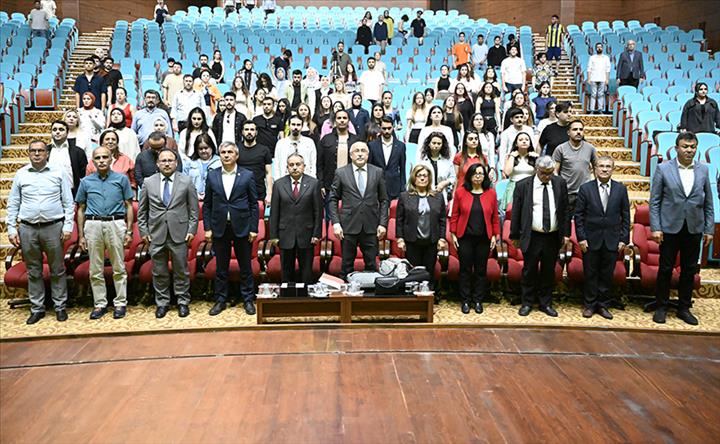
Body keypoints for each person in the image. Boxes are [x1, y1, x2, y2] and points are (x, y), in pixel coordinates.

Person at [649, 132, 714, 325]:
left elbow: (708, 202)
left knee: (689, 270)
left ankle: (684, 308)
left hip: (694, 227)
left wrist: (709, 229)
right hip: (669, 227)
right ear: (676, 148)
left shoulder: (703, 170)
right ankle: (661, 306)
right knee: (666, 268)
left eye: (692, 147)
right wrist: (656, 227)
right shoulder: (663, 169)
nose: (689, 150)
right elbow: (655, 201)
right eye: (685, 146)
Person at [7, 140, 74, 324]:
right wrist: (11, 228)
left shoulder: (58, 172)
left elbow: (68, 203)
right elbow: (13, 203)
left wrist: (68, 226)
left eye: (40, 151)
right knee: (33, 270)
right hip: (27, 228)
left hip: (53, 227)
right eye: (33, 151)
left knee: (57, 269)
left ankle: (60, 306)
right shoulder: (21, 174)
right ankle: (37, 308)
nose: (37, 154)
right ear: (28, 153)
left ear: (47, 153)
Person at [138, 149, 198, 319]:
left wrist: (191, 230)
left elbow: (194, 210)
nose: (166, 164)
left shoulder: (186, 181)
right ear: (157, 164)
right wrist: (143, 231)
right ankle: (162, 303)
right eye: (163, 161)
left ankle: (182, 301)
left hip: (180, 233)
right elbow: (142, 211)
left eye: (170, 160)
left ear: (176, 163)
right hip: (156, 234)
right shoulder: (148, 182)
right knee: (159, 272)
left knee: (181, 270)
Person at [76, 146, 135, 320]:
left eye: (105, 157)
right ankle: (100, 303)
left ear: (111, 159)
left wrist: (129, 231)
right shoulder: (85, 182)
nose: (101, 160)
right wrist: (81, 235)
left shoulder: (121, 179)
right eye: (98, 158)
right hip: (93, 224)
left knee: (119, 267)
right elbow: (81, 209)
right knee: (95, 268)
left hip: (115, 223)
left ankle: (120, 302)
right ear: (93, 161)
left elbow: (129, 206)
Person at [203, 141, 259, 316]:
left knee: (245, 267)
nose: (226, 155)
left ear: (236, 155)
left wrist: (253, 228)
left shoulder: (247, 175)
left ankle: (248, 299)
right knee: (221, 268)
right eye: (223, 152)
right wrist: (207, 227)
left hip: (242, 227)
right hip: (220, 228)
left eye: (230, 152)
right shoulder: (212, 175)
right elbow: (207, 204)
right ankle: (220, 300)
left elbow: (254, 204)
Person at [510, 156, 570, 317]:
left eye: (550, 173)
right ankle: (527, 302)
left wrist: (566, 233)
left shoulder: (559, 183)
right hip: (532, 235)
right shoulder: (523, 185)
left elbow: (565, 210)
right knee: (529, 270)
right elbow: (516, 212)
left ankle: (546, 303)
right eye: (544, 173)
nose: (547, 176)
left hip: (552, 236)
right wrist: (515, 235)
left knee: (548, 271)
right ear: (537, 169)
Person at [574, 156, 630, 320]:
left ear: (613, 169)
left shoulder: (621, 189)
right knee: (590, 273)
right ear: (595, 168)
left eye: (608, 166)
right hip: (590, 239)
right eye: (601, 166)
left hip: (612, 240)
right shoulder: (585, 189)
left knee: (606, 274)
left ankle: (603, 305)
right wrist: (581, 238)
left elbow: (626, 216)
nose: (604, 169)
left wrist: (623, 239)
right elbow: (579, 216)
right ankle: (590, 305)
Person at [329, 142, 390, 279]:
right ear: (351, 155)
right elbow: (332, 199)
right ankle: (346, 291)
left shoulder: (377, 172)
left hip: (371, 225)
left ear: (368, 154)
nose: (360, 154)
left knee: (371, 265)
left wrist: (383, 223)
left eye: (363, 151)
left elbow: (384, 200)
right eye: (357, 151)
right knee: (346, 266)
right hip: (348, 226)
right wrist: (336, 223)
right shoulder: (341, 173)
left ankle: (369, 292)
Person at [450, 163, 499, 314]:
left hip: (484, 238)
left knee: (481, 270)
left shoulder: (491, 193)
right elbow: (455, 215)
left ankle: (478, 300)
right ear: (469, 176)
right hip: (464, 237)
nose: (478, 176)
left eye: (481, 173)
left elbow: (495, 217)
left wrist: (494, 236)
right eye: (475, 173)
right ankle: (465, 300)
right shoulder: (460, 192)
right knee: (465, 270)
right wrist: (453, 233)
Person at [268, 153, 323, 284]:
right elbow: (274, 212)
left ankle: (305, 295)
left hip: (307, 234)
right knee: (286, 272)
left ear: (304, 166)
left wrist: (316, 234)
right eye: (291, 165)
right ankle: (288, 295)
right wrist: (274, 235)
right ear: (287, 167)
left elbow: (318, 212)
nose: (294, 167)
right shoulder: (279, 184)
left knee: (306, 272)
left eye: (298, 164)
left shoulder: (314, 183)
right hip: (285, 235)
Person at [395, 165, 446, 288]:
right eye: (419, 175)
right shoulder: (405, 196)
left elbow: (442, 220)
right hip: (412, 241)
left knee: (429, 271)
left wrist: (442, 238)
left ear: (429, 178)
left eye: (425, 176)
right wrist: (400, 239)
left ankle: (429, 294)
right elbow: (399, 220)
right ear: (414, 178)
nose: (422, 178)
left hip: (431, 241)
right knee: (414, 272)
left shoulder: (438, 197)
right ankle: (414, 295)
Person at [553, 119, 597, 215]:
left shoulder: (590, 148)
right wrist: (559, 188)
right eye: (575, 129)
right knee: (565, 220)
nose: (578, 132)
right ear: (568, 132)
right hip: (567, 193)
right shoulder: (560, 149)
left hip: (585, 192)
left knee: (585, 220)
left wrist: (595, 186)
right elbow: (555, 171)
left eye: (581, 129)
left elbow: (596, 167)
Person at [317, 109, 360, 202]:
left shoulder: (356, 140)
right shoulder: (326, 139)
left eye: (344, 118)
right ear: (335, 121)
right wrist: (321, 184)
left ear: (348, 121)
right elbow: (319, 164)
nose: (342, 120)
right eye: (339, 118)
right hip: (330, 184)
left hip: (352, 185)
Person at [368, 116, 406, 200]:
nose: (387, 131)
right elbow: (369, 168)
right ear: (380, 128)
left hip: (395, 187)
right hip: (376, 187)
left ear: (393, 127)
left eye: (389, 128)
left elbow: (402, 169)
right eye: (384, 128)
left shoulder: (401, 146)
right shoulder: (372, 145)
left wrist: (403, 189)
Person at [47, 120, 87, 196]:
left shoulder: (78, 152)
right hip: (50, 193)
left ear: (67, 132)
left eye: (61, 129)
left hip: (72, 193)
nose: (57, 132)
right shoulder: (45, 151)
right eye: (54, 129)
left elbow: (83, 175)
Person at [238, 120, 273, 204]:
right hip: (239, 192)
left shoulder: (264, 150)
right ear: (242, 132)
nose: (249, 132)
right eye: (246, 129)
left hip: (259, 192)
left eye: (252, 129)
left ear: (256, 132)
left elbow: (268, 173)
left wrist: (269, 193)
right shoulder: (236, 149)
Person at [501, 132, 538, 210]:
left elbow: (540, 174)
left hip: (530, 186)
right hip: (514, 186)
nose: (524, 141)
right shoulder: (510, 156)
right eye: (521, 140)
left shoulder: (534, 157)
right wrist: (512, 156)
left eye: (527, 140)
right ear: (516, 144)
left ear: (530, 143)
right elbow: (507, 172)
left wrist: (538, 159)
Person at [417, 132, 455, 203]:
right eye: (434, 143)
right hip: (425, 195)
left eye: (439, 143)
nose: (436, 145)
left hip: (442, 195)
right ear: (429, 144)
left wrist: (444, 183)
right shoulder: (422, 161)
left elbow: (453, 177)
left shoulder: (447, 161)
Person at [183, 133, 220, 199]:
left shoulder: (219, 162)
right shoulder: (189, 162)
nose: (203, 151)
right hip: (193, 198)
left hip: (213, 199)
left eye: (206, 148)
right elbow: (184, 182)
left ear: (211, 147)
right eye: (200, 148)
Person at [587, 43, 611, 114]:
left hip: (602, 78)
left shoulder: (606, 58)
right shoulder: (592, 57)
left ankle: (600, 109)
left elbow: (608, 69)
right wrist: (589, 78)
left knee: (601, 94)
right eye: (598, 47)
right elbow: (589, 68)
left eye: (600, 47)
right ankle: (592, 110)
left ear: (602, 48)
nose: (599, 48)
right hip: (593, 78)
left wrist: (607, 79)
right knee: (593, 94)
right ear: (596, 48)